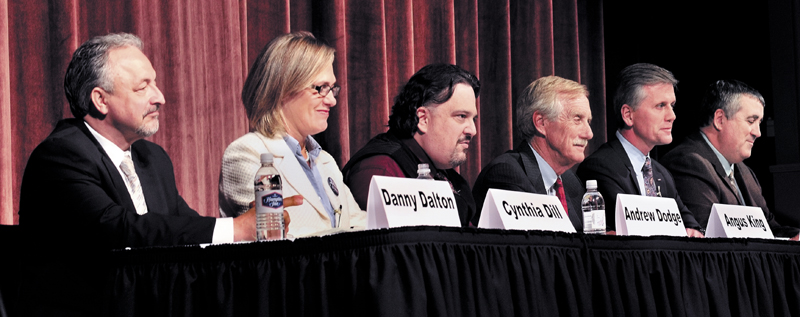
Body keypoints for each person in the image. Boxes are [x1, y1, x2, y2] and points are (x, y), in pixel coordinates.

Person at [17, 33, 300, 316]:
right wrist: (236, 229)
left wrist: (248, 226)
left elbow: (183, 227)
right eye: (143, 88)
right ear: (100, 100)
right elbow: (118, 230)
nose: (160, 98)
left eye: (155, 83)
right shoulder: (60, 155)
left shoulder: (153, 159)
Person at [219, 31, 365, 238]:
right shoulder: (247, 153)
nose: (332, 100)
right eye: (321, 88)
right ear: (284, 89)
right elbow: (270, 241)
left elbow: (360, 226)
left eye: (333, 89)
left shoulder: (325, 161)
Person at [342, 63, 479, 227]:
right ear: (423, 119)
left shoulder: (448, 176)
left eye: (473, 119)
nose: (473, 130)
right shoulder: (381, 172)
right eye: (461, 116)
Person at [661, 80, 800, 239]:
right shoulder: (687, 162)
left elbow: (770, 228)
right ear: (719, 119)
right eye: (751, 121)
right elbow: (709, 236)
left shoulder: (745, 172)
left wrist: (795, 236)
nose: (758, 132)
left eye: (759, 123)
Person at [576, 63, 702, 236]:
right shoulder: (601, 168)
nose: (672, 116)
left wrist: (693, 232)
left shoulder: (662, 174)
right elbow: (634, 233)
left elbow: (692, 226)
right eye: (660, 105)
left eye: (671, 105)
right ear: (628, 115)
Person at [472, 76, 590, 231]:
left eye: (588, 121)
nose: (589, 133)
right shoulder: (506, 174)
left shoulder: (570, 181)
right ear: (541, 123)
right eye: (577, 119)